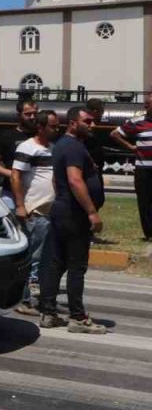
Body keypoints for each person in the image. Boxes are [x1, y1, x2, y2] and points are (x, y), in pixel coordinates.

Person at [38, 106, 108, 334]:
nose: (93, 124)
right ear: (73, 123)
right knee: (77, 266)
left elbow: (57, 183)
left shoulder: (61, 146)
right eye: (88, 121)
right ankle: (78, 317)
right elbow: (75, 181)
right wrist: (91, 212)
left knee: (56, 262)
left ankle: (48, 313)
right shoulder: (75, 147)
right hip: (74, 214)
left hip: (62, 209)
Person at [10, 110, 57, 314]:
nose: (57, 129)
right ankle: (24, 300)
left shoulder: (53, 149)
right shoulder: (27, 147)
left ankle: (37, 298)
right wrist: (20, 205)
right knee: (33, 258)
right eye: (53, 126)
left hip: (50, 212)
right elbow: (15, 176)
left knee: (44, 258)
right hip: (35, 212)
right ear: (40, 127)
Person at [110, 89, 152, 240]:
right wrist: (130, 147)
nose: (147, 106)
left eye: (149, 104)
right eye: (146, 104)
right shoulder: (136, 122)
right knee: (144, 200)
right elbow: (114, 133)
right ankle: (149, 233)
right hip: (143, 168)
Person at [0, 98, 37, 211]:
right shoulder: (7, 136)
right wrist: (13, 174)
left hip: (34, 194)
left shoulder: (41, 136)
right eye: (28, 114)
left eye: (35, 113)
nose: (33, 117)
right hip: (10, 193)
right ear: (19, 115)